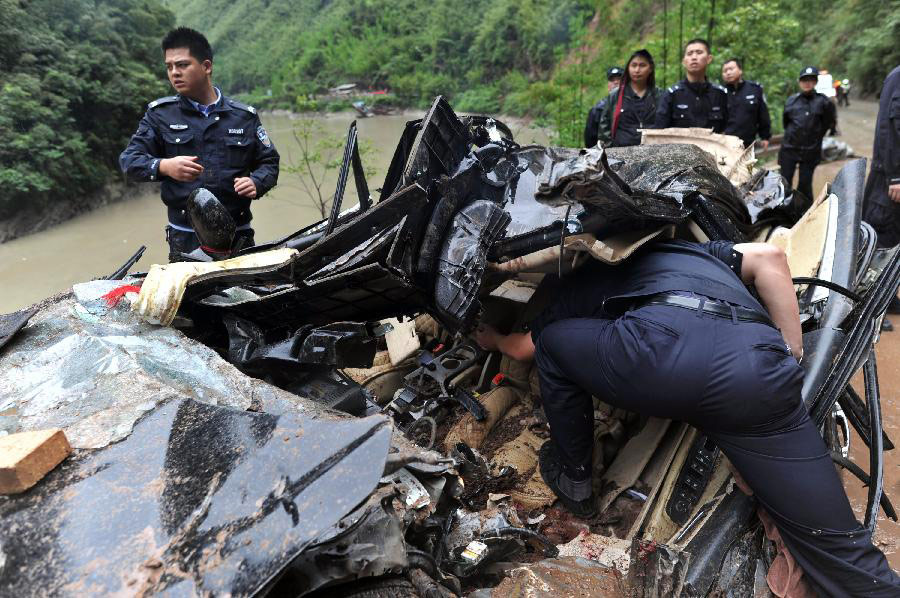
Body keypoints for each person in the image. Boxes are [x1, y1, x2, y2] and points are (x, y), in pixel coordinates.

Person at [475, 239, 900, 596]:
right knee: (836, 542)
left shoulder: (573, 281)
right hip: (755, 369)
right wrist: (789, 355)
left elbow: (524, 349)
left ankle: (575, 481)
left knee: (551, 342)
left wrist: (492, 337)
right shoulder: (694, 249)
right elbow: (771, 259)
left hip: (658, 358)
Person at [120, 27, 280, 262]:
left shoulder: (243, 117)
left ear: (206, 66)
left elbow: (269, 162)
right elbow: (129, 161)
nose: (174, 73)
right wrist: (164, 166)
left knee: (245, 294)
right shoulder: (160, 115)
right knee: (193, 298)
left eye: (182, 65)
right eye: (169, 67)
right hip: (186, 238)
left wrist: (257, 181)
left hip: (239, 236)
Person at [862, 65, 900, 323]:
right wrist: (895, 175)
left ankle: (887, 297)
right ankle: (872, 306)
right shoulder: (898, 77)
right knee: (882, 238)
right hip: (891, 177)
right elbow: (890, 130)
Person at [778, 66, 837, 205]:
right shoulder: (791, 101)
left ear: (815, 82)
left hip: (810, 150)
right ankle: (782, 214)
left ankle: (805, 214)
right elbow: (786, 123)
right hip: (789, 149)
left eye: (811, 80)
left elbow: (827, 124)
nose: (807, 83)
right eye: (804, 80)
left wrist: (814, 137)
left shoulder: (824, 102)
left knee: (805, 185)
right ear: (799, 82)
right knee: (784, 183)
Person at [654, 39, 728, 132]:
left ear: (709, 59)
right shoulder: (672, 94)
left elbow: (729, 130)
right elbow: (659, 131)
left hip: (713, 146)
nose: (694, 57)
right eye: (689, 54)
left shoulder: (720, 94)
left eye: (699, 52)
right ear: (684, 61)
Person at [597, 49, 660, 147]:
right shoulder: (616, 95)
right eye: (634, 65)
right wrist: (610, 150)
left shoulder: (659, 95)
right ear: (628, 68)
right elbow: (604, 126)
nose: (637, 70)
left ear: (650, 68)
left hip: (652, 151)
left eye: (642, 65)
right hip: (620, 153)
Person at [721, 57, 771, 150]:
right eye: (725, 71)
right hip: (725, 145)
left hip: (748, 143)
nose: (728, 73)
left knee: (747, 164)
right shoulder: (719, 93)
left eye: (731, 69)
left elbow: (763, 114)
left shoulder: (754, 89)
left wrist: (765, 136)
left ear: (740, 70)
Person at [584, 66, 623, 147]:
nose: (616, 82)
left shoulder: (633, 105)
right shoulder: (597, 109)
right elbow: (590, 139)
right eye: (612, 80)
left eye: (619, 79)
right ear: (608, 85)